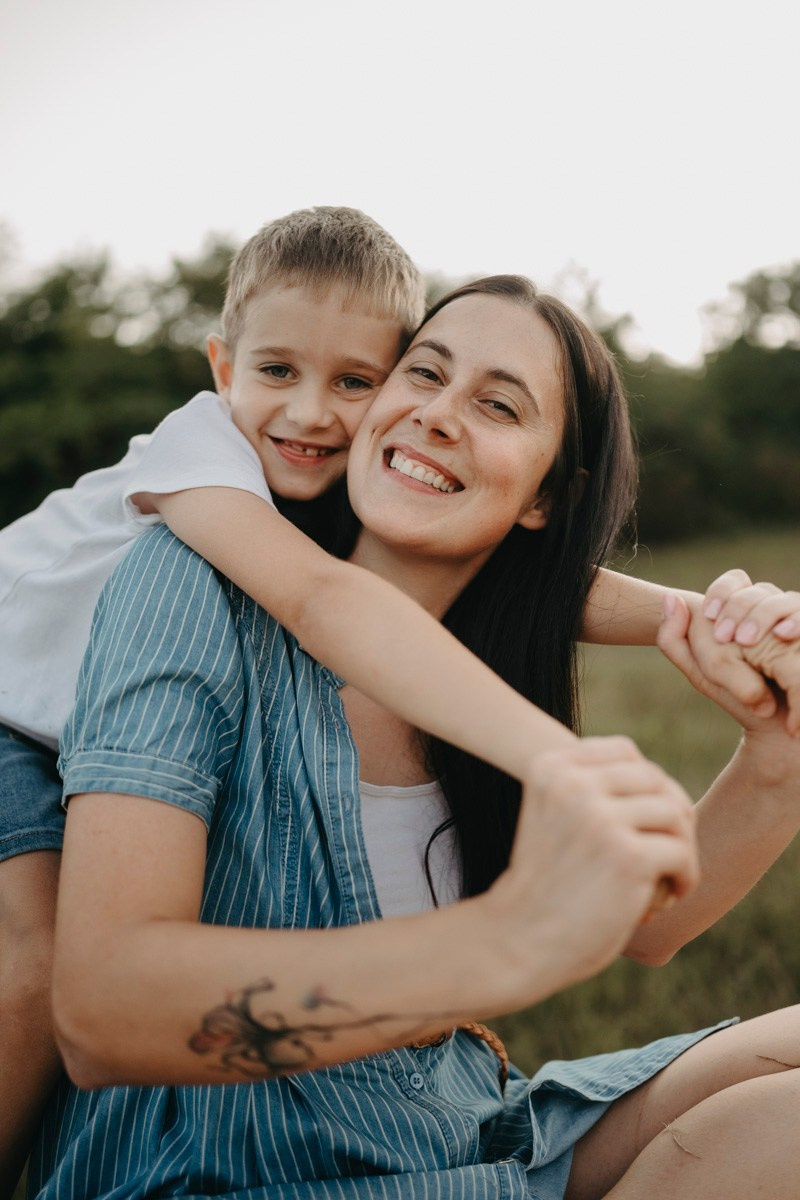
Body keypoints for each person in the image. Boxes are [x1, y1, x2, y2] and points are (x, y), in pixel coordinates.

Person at [5, 208, 788, 1193]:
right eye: (424, 372)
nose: (435, 412)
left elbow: (648, 926)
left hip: (457, 1124)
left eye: (498, 406)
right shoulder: (197, 568)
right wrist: (499, 942)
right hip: (249, 1173)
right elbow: (102, 1011)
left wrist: (774, 741)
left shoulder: (472, 667)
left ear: (545, 495)